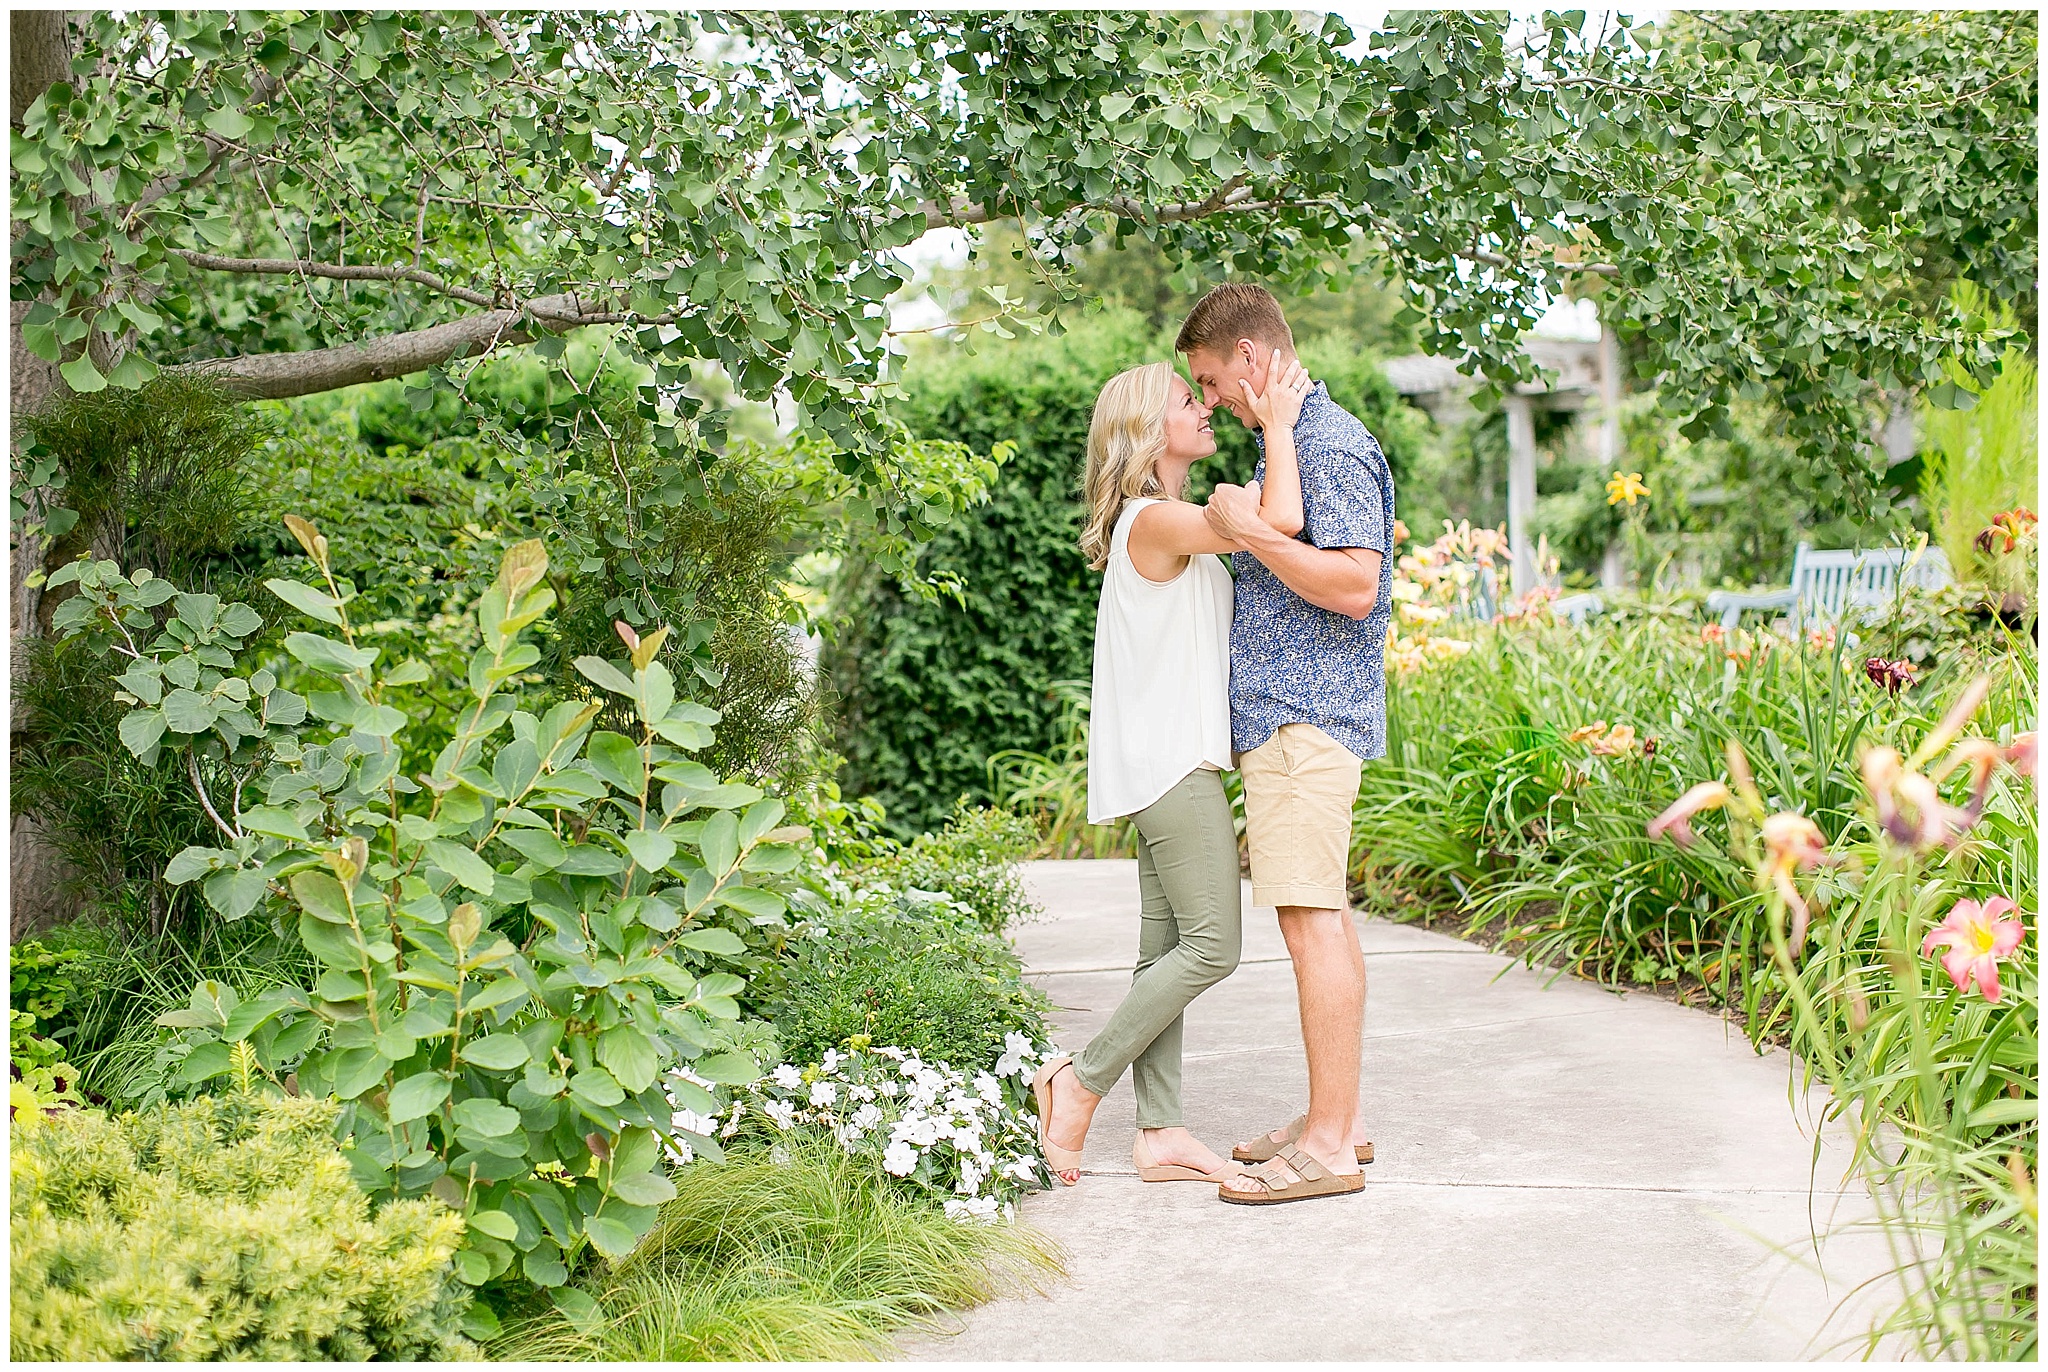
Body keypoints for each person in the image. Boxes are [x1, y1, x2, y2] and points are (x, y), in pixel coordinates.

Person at [1032, 355, 1314, 1187]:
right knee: (1215, 945)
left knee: (1165, 948)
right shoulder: (1153, 520)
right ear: (1148, 431)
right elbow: (1280, 522)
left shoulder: (1161, 520)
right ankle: (1078, 1081)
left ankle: (1159, 1132)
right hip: (1169, 762)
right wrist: (1281, 427)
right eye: (1191, 400)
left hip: (1172, 757)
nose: (1207, 409)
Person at [1178, 283, 1395, 1206]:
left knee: (1311, 925)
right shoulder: (1296, 445)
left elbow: (1355, 588)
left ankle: (1332, 1150)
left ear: (1255, 361)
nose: (1213, 399)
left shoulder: (1328, 444)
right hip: (1287, 716)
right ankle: (1327, 1124)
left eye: (1214, 379)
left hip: (1307, 719)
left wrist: (1250, 538)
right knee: (1320, 918)